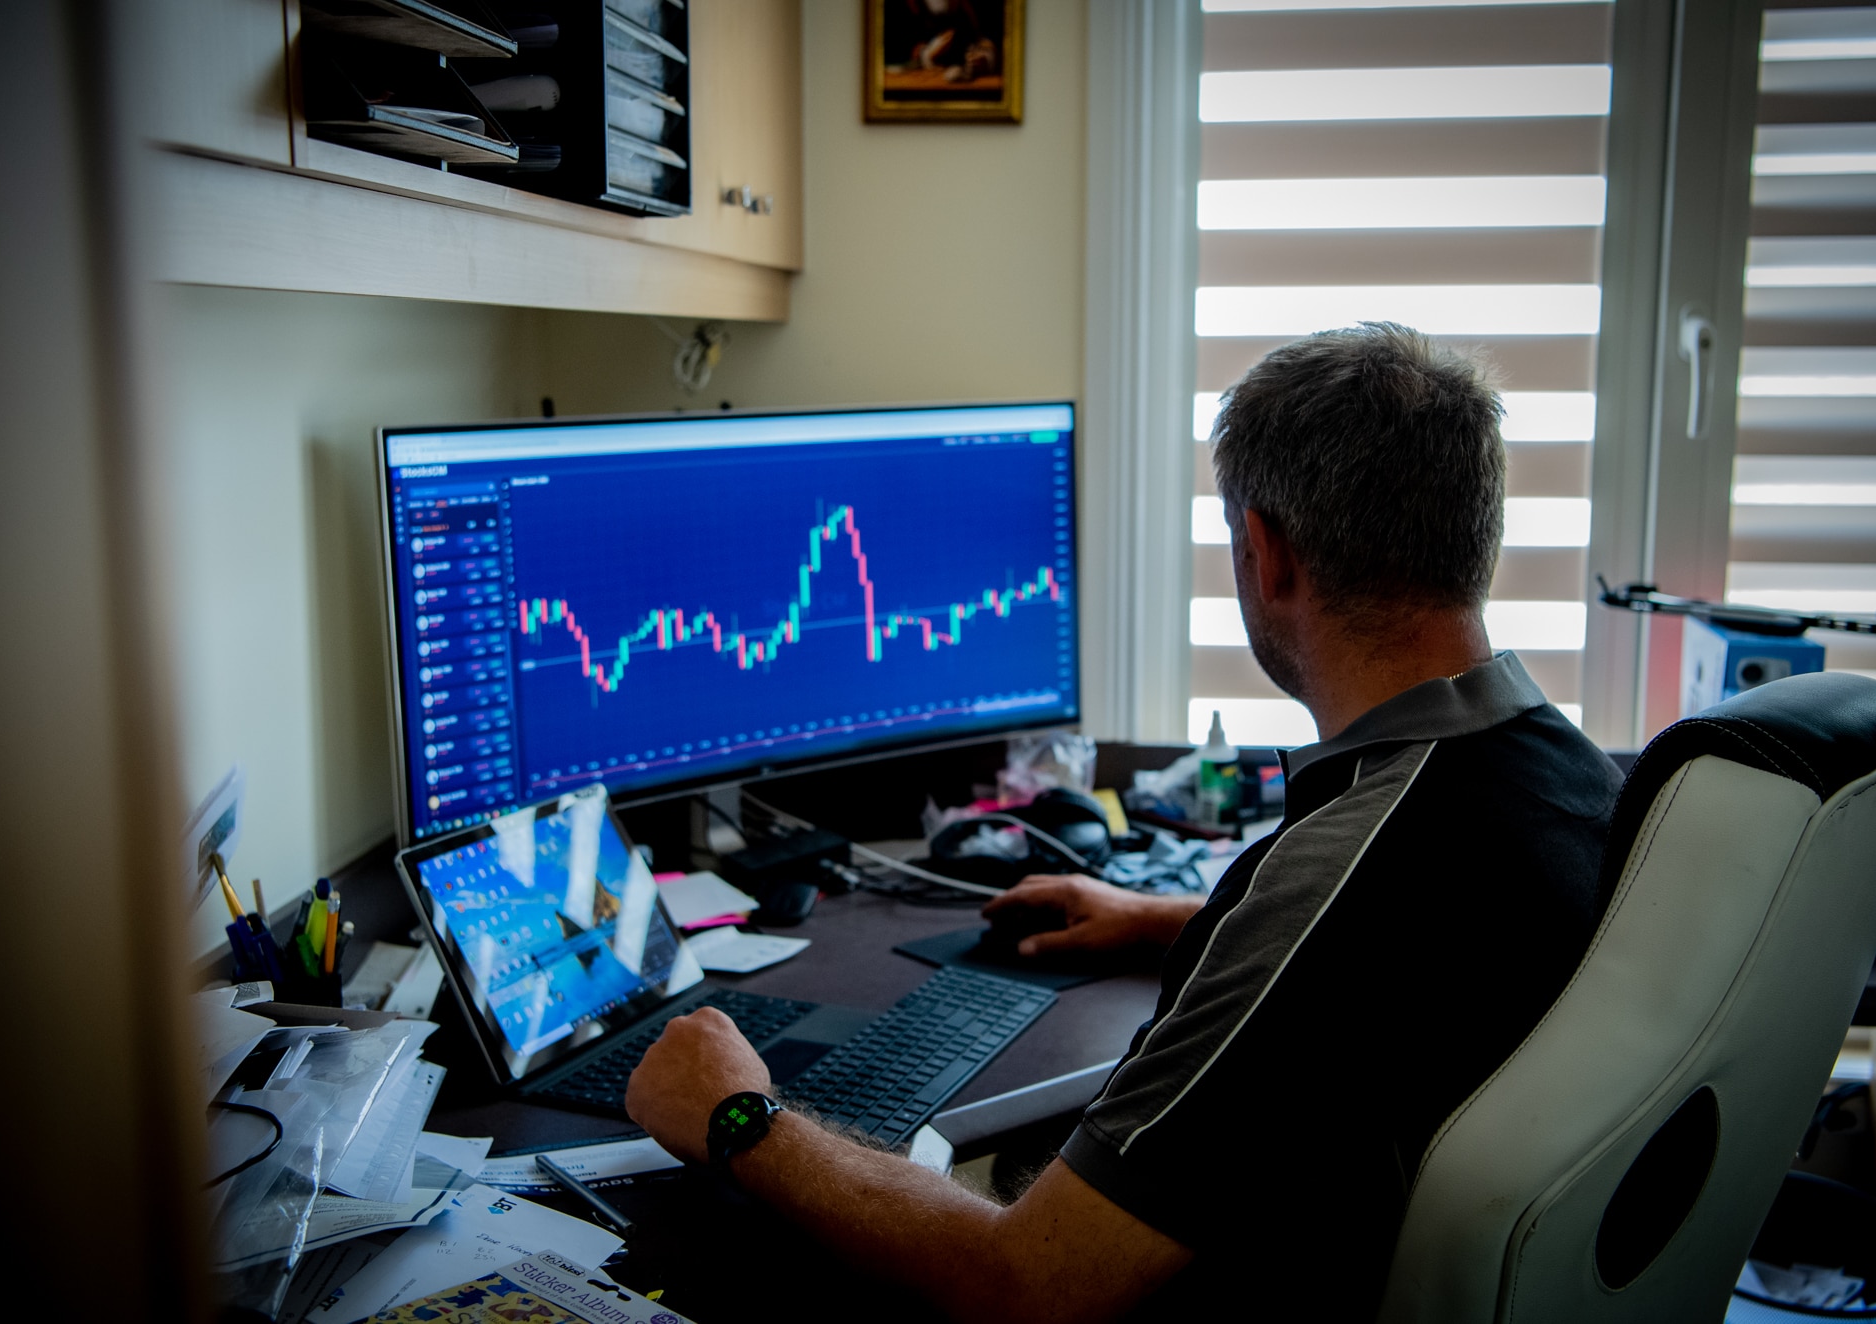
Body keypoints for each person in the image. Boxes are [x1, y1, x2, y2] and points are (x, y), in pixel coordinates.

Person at [625, 323, 1624, 1322]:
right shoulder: (1579, 785)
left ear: (1265, 552)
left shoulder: (1348, 873)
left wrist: (737, 1116)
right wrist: (1170, 921)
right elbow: (1411, 970)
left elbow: (1026, 1284)